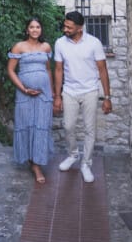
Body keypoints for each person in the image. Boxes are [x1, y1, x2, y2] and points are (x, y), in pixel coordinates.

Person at [53, 10, 112, 183]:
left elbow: (102, 69)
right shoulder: (60, 43)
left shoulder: (94, 43)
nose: (65, 29)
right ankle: (73, 155)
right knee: (68, 126)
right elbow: (58, 69)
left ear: (79, 28)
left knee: (89, 129)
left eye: (69, 27)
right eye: (65, 26)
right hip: (69, 91)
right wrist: (57, 96)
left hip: (90, 91)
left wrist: (107, 97)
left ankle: (86, 163)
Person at [7, 17, 55, 184]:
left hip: (44, 94)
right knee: (27, 125)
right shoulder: (19, 46)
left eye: (38, 27)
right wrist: (24, 89)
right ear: (27, 30)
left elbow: (48, 70)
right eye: (32, 27)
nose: (35, 30)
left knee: (41, 127)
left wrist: (52, 93)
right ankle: (31, 161)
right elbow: (11, 70)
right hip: (24, 95)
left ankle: (37, 164)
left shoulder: (46, 47)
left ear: (41, 29)